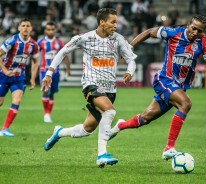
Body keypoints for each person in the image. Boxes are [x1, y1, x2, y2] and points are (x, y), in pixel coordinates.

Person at [109, 15, 206, 160]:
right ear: (188, 25)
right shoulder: (173, 33)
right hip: (164, 80)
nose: (196, 33)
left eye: (200, 30)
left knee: (145, 118)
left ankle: (120, 126)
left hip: (178, 87)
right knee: (185, 104)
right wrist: (129, 47)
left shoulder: (203, 41)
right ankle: (169, 148)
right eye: (194, 28)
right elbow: (149, 32)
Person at [42, 8, 137, 167]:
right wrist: (49, 72)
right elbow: (63, 52)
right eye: (113, 22)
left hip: (110, 90)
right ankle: (101, 155)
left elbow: (131, 59)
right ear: (102, 22)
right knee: (110, 111)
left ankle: (59, 132)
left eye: (116, 22)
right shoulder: (84, 38)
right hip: (91, 84)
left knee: (87, 129)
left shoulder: (118, 39)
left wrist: (129, 71)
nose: (116, 25)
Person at [0, 18, 39, 137]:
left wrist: (32, 78)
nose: (26, 28)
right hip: (3, 76)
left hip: (18, 77)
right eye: (23, 25)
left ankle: (5, 129)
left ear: (31, 28)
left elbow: (36, 61)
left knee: (17, 100)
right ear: (19, 28)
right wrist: (5, 70)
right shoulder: (12, 41)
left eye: (28, 25)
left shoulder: (33, 45)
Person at [37, 21, 70, 123]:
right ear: (45, 30)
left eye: (52, 29)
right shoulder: (41, 42)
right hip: (44, 70)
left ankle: (48, 114)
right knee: (46, 91)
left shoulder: (59, 42)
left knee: (52, 93)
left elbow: (64, 55)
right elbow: (34, 55)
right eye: (48, 29)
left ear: (54, 30)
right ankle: (46, 114)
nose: (50, 31)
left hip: (56, 72)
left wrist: (68, 68)